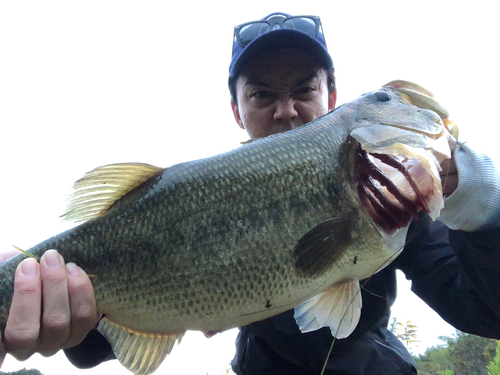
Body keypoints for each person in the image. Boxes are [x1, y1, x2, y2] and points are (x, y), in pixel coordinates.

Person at [2, 11, 500, 375]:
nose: (285, 110)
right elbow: (100, 341)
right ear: (238, 110)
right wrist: (48, 305)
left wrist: (484, 212)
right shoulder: (194, 200)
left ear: (331, 97)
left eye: (303, 90)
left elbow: (486, 311)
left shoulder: (389, 198)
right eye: (262, 94)